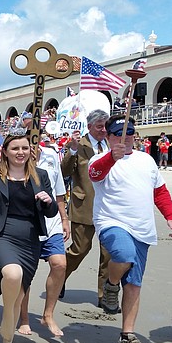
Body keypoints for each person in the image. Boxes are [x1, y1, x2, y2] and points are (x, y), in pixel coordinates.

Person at [89, 115, 172, 343]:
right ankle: (110, 285)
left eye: (129, 133)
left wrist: (170, 215)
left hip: (143, 228)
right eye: (118, 134)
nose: (124, 138)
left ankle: (127, 336)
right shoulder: (100, 159)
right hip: (112, 223)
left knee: (134, 284)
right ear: (107, 137)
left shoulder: (146, 160)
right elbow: (95, 174)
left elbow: (159, 191)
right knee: (123, 254)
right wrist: (112, 157)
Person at [0, 132, 58, 343]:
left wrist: (48, 202)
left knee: (19, 295)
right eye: (15, 148)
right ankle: (7, 320)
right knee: (12, 274)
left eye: (24, 148)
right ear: (5, 151)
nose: (20, 152)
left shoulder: (40, 176)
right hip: (0, 235)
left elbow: (52, 211)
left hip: (30, 240)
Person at [60, 109, 112, 308]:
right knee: (80, 249)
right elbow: (65, 172)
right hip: (85, 206)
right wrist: (71, 151)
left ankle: (105, 295)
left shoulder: (112, 143)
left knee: (108, 254)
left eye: (105, 126)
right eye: (99, 126)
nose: (103, 130)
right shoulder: (78, 144)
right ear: (89, 126)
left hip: (109, 208)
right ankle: (60, 275)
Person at [18, 139, 69, 337]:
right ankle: (23, 319)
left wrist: (65, 218)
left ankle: (48, 314)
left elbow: (59, 193)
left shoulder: (51, 156)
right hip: (28, 225)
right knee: (25, 274)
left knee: (59, 264)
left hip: (51, 222)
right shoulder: (16, 156)